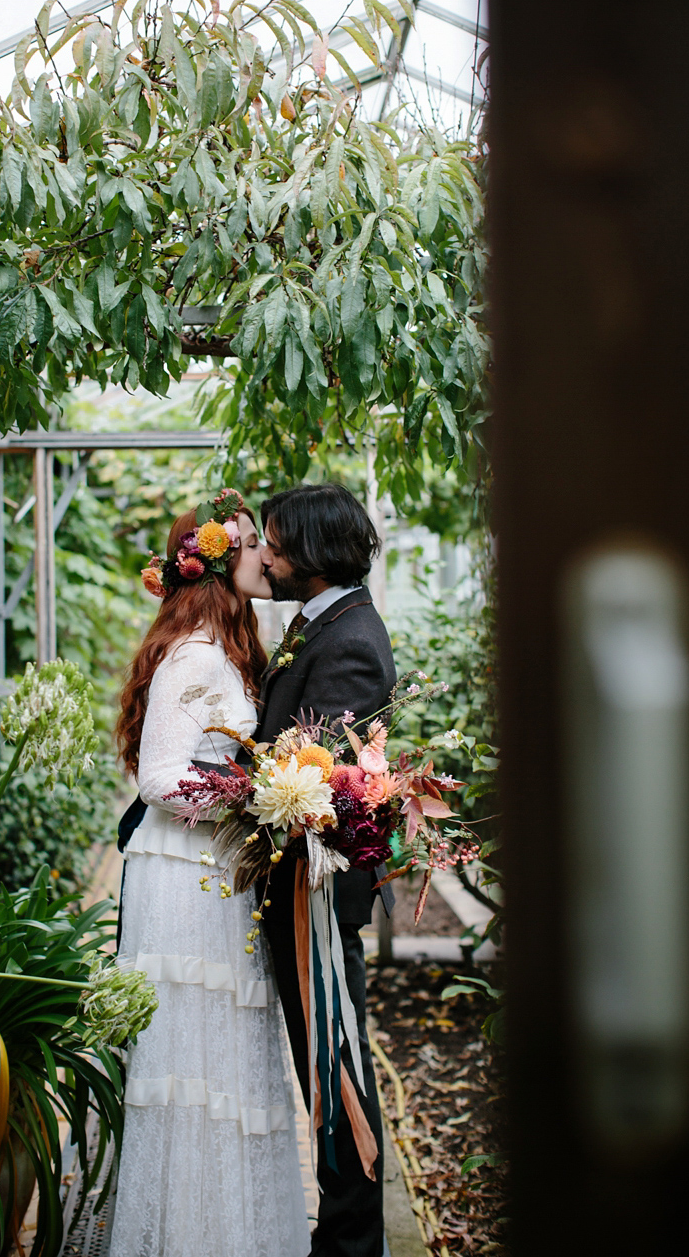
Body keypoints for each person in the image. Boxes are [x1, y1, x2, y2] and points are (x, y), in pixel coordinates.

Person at [109, 489, 309, 1257]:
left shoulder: (226, 648)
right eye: (255, 542)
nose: (268, 554)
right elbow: (160, 778)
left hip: (214, 870)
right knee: (195, 1063)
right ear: (221, 563)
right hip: (188, 877)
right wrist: (256, 798)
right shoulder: (193, 657)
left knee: (226, 1059)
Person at [257, 483, 397, 1257]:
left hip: (316, 897)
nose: (266, 558)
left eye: (276, 545)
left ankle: (349, 1245)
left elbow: (318, 783)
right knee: (330, 1071)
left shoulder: (346, 637)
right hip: (298, 890)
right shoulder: (324, 621)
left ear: (313, 554)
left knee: (337, 1077)